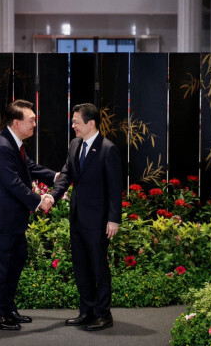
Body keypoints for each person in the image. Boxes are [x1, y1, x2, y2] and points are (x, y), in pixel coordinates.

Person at [0, 99, 56, 331]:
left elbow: (29, 167)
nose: (35, 123)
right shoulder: (2, 146)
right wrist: (40, 201)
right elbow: (13, 183)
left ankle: (8, 308)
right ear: (16, 122)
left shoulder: (15, 143)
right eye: (31, 120)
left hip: (12, 221)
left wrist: (57, 177)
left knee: (14, 263)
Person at [50, 103, 122, 331]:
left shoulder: (107, 149)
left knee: (98, 267)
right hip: (77, 218)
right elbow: (66, 175)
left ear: (91, 123)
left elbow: (115, 188)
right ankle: (86, 311)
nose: (73, 126)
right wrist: (52, 197)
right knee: (81, 266)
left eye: (76, 122)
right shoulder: (74, 145)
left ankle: (103, 315)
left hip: (99, 221)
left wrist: (114, 219)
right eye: (73, 122)